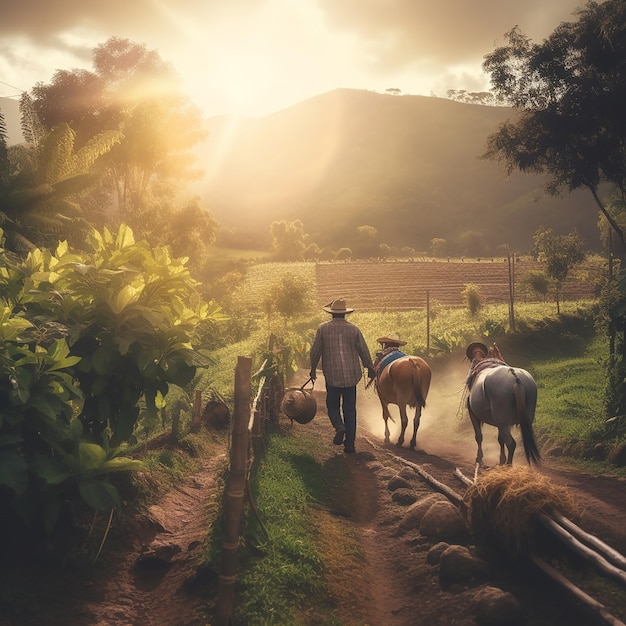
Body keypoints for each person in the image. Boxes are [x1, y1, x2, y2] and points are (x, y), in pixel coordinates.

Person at [309, 297, 375, 454]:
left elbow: (315, 351)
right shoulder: (353, 329)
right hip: (351, 376)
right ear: (345, 314)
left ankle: (339, 426)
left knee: (332, 405)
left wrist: (312, 369)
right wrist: (369, 367)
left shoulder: (322, 329)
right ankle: (350, 445)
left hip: (332, 376)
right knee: (350, 409)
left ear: (331, 314)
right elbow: (363, 350)